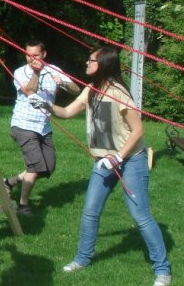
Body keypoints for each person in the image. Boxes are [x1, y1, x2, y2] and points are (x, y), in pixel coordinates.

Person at [30, 45, 171, 286]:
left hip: (131, 161)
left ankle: (162, 271)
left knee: (140, 216)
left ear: (103, 64)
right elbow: (66, 112)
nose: (86, 63)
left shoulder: (119, 93)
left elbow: (138, 131)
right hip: (102, 163)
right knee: (90, 211)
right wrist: (45, 105)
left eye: (91, 60)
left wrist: (118, 157)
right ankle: (82, 259)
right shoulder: (91, 90)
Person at [3, 39, 79, 215]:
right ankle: (23, 206)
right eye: (28, 55)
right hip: (23, 125)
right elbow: (30, 91)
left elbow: (76, 90)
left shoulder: (54, 70)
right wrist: (36, 72)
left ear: (44, 54)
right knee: (36, 165)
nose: (31, 59)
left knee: (48, 168)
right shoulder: (20, 72)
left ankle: (10, 182)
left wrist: (63, 83)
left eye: (35, 55)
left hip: (44, 127)